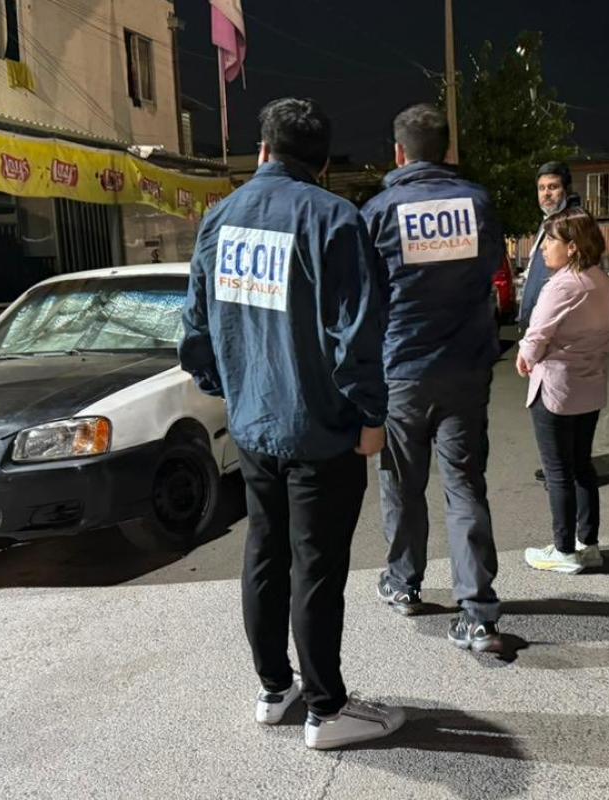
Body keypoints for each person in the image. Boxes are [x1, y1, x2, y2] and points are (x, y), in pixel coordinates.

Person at [180, 97, 405, 750]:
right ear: (324, 163)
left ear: (262, 150)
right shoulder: (333, 219)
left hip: (253, 425)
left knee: (264, 552)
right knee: (316, 566)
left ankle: (274, 688)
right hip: (320, 430)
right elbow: (357, 333)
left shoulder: (220, 218)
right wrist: (371, 415)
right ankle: (326, 710)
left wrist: (230, 388)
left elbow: (195, 328)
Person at [360, 103, 504, 652]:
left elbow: (366, 296)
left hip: (403, 369)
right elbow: (490, 271)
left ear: (399, 152)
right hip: (465, 368)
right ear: (447, 149)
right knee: (464, 486)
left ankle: (403, 583)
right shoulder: (478, 204)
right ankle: (478, 613)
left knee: (402, 484)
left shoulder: (379, 211)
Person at [517, 208, 609, 574]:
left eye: (550, 241)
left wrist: (525, 357)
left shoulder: (562, 285)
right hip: (589, 385)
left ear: (572, 246)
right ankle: (588, 543)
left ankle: (563, 551)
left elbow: (538, 332)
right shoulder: (600, 280)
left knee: (557, 471)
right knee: (581, 466)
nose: (543, 248)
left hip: (556, 387)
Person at [517, 161, 579, 330]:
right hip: (540, 327)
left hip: (555, 329)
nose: (546, 193)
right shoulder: (547, 223)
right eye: (541, 188)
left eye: (553, 187)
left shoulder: (573, 225)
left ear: (566, 190)